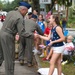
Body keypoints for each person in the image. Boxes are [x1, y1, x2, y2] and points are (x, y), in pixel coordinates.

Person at [0, 1, 38, 75]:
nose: (26, 14)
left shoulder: (11, 12)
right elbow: (22, 33)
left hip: (1, 34)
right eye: (26, 12)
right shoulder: (19, 17)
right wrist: (33, 35)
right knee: (10, 58)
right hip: (8, 36)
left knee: (1, 55)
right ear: (23, 10)